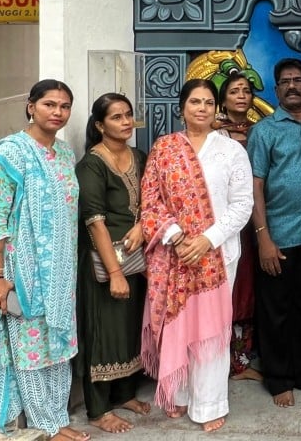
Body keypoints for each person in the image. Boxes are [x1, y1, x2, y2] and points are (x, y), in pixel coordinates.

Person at [139, 79, 254, 433]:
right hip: (174, 254)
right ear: (182, 107)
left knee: (210, 331)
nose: (202, 108)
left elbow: (242, 205)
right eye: (194, 102)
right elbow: (151, 201)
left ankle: (210, 403)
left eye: (207, 102)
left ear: (216, 108)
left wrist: (207, 239)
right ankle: (181, 393)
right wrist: (176, 237)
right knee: (179, 325)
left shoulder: (231, 151)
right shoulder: (165, 148)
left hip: (217, 256)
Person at [0, 80, 88, 441]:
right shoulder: (9, 154)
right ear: (30, 107)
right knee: (31, 346)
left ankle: (58, 416)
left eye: (65, 106)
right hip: (21, 271)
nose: (58, 112)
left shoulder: (65, 154)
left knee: (57, 344)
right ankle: (45, 423)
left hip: (60, 271)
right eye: (49, 104)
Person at [246, 58, 301, 408]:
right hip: (278, 230)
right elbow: (255, 184)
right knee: (275, 308)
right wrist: (263, 237)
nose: (292, 86)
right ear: (276, 89)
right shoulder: (265, 131)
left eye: (298, 80)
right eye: (285, 81)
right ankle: (279, 378)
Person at [74, 93, 151, 433]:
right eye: (116, 117)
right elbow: (94, 220)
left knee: (130, 326)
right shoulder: (91, 164)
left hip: (138, 256)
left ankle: (124, 393)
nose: (124, 122)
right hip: (105, 263)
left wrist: (141, 226)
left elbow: (152, 199)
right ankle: (98, 409)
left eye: (128, 115)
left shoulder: (139, 155)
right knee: (103, 331)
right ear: (99, 125)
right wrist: (115, 273)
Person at [214, 73, 263, 382]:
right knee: (232, 287)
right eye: (234, 91)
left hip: (257, 218)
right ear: (223, 99)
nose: (242, 96)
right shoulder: (214, 135)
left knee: (252, 288)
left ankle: (244, 357)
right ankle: (226, 361)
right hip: (229, 222)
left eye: (246, 91)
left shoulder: (260, 131)